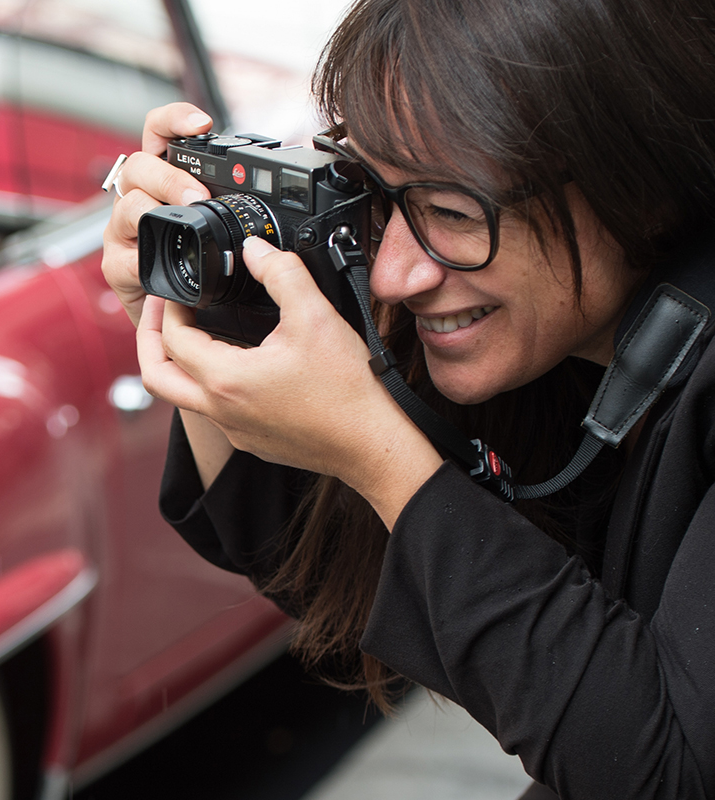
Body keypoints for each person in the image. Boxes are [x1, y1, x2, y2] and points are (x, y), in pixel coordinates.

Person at [102, 0, 715, 796]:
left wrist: (386, 457)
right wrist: (209, 307)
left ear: (642, 180)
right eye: (379, 196)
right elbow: (317, 565)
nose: (396, 273)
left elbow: (664, 772)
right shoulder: (568, 334)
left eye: (452, 213)